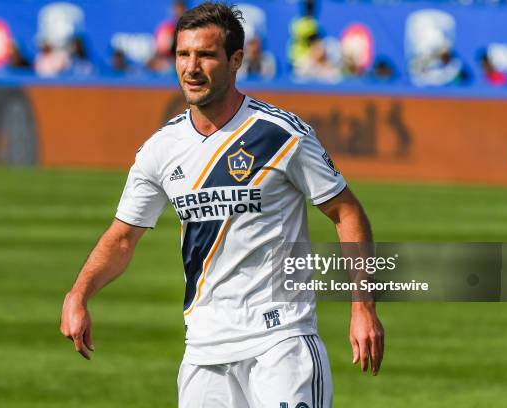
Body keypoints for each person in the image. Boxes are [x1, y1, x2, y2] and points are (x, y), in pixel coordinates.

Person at [60, 3, 384, 408]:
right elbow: (123, 238)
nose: (191, 67)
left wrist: (362, 307)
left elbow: (347, 212)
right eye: (183, 54)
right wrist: (79, 294)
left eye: (206, 55)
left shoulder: (281, 134)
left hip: (281, 343)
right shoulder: (160, 150)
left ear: (235, 61)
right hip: (204, 351)